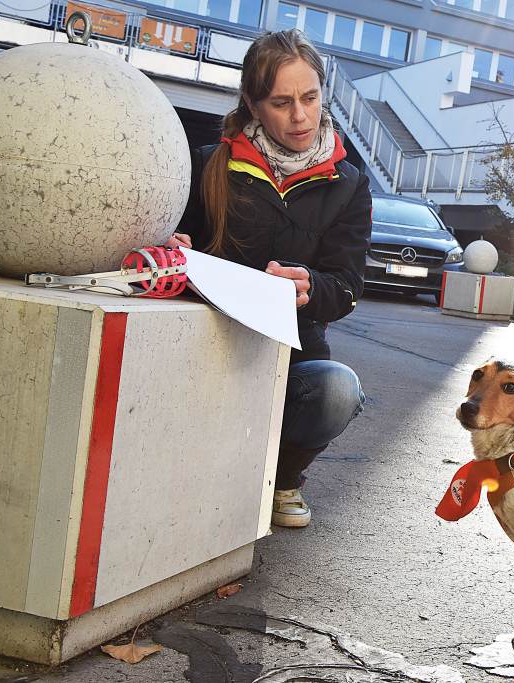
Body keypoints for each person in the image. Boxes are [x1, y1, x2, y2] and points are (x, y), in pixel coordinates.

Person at [171, 30, 370, 529]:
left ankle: (281, 479)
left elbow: (346, 286)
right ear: (253, 105)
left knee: (338, 390)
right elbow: (167, 250)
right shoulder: (205, 165)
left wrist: (310, 287)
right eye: (281, 103)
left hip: (291, 356)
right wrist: (175, 251)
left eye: (310, 97)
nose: (300, 116)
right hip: (202, 349)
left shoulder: (349, 183)